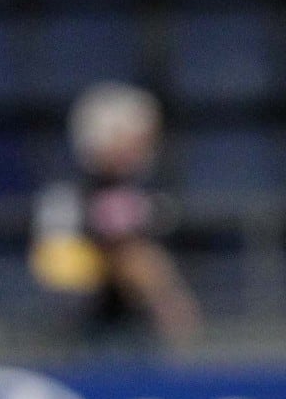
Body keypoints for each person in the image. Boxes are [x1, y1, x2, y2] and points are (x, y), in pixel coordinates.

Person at [30, 81, 200, 349]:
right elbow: (125, 260)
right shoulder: (78, 195)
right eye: (135, 137)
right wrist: (166, 301)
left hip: (128, 327)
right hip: (93, 329)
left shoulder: (143, 193)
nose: (145, 147)